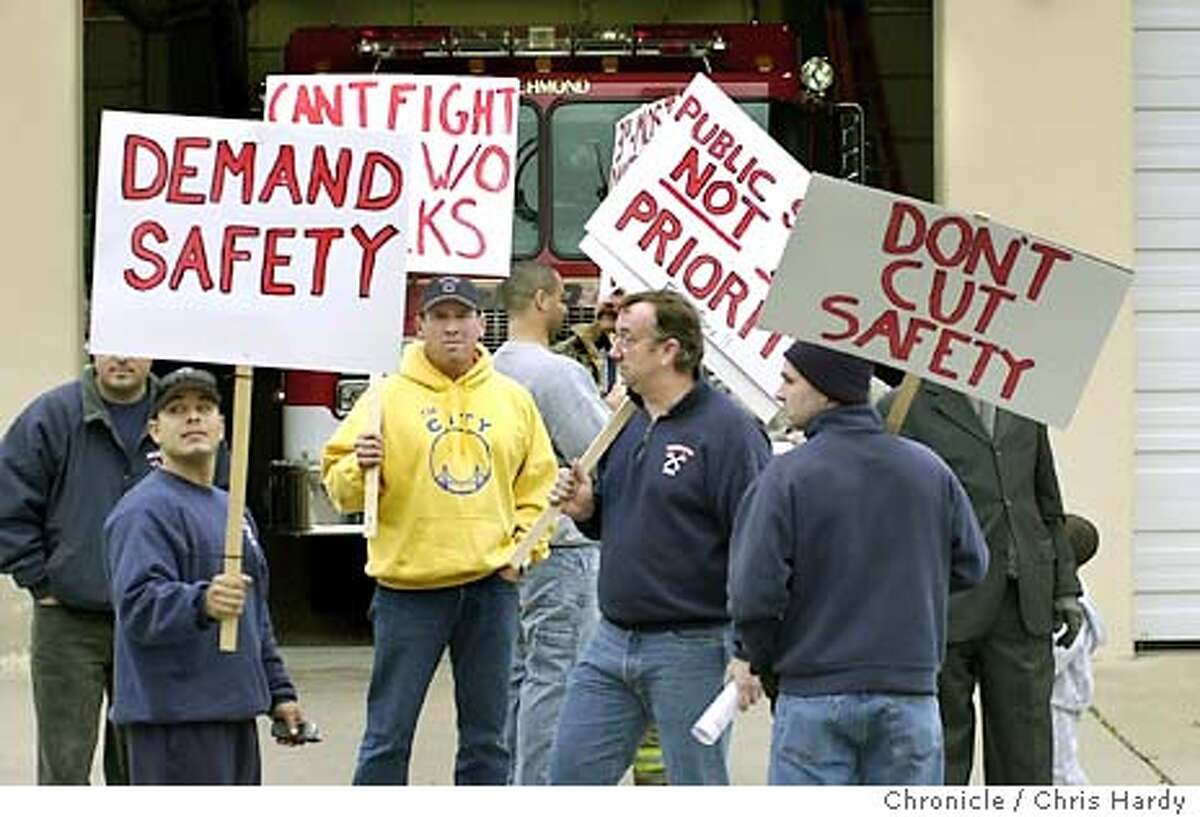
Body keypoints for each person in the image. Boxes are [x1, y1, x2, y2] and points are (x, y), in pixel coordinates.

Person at [322, 274, 558, 785]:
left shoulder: (512, 399)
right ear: (420, 325)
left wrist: (523, 550)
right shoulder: (384, 396)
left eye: (461, 316)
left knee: (488, 739)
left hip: (490, 590)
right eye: (440, 317)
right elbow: (338, 485)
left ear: (481, 324)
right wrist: (360, 470)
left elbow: (538, 483)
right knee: (388, 735)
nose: (452, 328)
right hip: (409, 591)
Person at [729, 342, 989, 785]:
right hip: (909, 693)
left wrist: (757, 655)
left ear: (828, 392)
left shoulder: (786, 477)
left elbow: (755, 593)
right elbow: (972, 564)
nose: (778, 391)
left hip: (815, 691)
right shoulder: (928, 468)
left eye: (790, 380)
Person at [548, 290, 771, 785]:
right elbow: (615, 521)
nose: (613, 350)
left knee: (695, 783)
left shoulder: (730, 432)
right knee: (568, 777)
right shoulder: (625, 424)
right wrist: (586, 509)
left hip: (691, 647)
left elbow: (757, 545)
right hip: (611, 641)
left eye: (627, 339)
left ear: (669, 350)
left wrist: (749, 647)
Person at [104, 366, 307, 785]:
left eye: (204, 407)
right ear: (155, 431)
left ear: (222, 426)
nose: (193, 417)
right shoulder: (143, 511)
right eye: (177, 410)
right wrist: (201, 601)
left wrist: (278, 692)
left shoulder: (233, 511)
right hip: (175, 721)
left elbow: (254, 613)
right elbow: (138, 607)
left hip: (233, 713)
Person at [879, 381, 1084, 784]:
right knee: (942, 758)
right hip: (943, 605)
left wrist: (1064, 587)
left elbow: (1046, 502)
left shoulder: (1025, 398)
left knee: (1026, 753)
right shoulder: (904, 405)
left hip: (1021, 601)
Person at [0, 355, 158, 784]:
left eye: (134, 345)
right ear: (92, 347)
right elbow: (7, 501)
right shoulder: (51, 417)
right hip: (67, 622)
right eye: (110, 344)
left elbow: (213, 502)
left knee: (143, 769)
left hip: (152, 622)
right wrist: (39, 580)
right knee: (64, 768)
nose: (121, 357)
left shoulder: (178, 414)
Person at [493, 261, 610, 785]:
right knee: (557, 676)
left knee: (521, 676)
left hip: (508, 547)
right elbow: (601, 450)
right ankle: (541, 789)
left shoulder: (490, 370)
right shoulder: (557, 375)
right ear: (541, 301)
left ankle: (516, 782)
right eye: (561, 298)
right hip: (561, 547)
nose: (566, 308)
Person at [1052, 513, 1106, 785]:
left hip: (1060, 698)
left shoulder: (1072, 609)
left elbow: (1057, 655)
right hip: (1057, 697)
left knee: (1061, 768)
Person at [554, 286, 624, 407]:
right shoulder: (567, 354)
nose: (607, 301)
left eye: (618, 293)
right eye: (604, 291)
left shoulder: (660, 358)